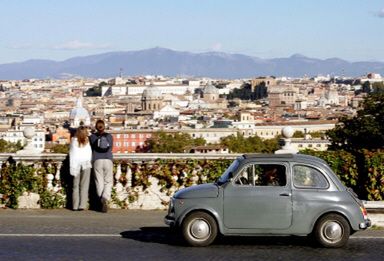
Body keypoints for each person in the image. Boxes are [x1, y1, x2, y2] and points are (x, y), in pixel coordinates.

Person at [90, 120, 113, 213]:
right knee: (108, 181)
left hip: (97, 160)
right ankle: (105, 197)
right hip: (108, 159)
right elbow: (111, 148)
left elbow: (91, 148)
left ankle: (101, 200)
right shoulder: (109, 136)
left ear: (96, 127)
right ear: (104, 127)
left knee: (99, 181)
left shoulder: (92, 137)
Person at [69, 126, 92, 211]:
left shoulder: (73, 140)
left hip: (76, 165)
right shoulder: (88, 140)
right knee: (84, 185)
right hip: (86, 164)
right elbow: (89, 152)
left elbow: (71, 152)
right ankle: (82, 205)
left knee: (75, 186)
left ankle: (75, 205)